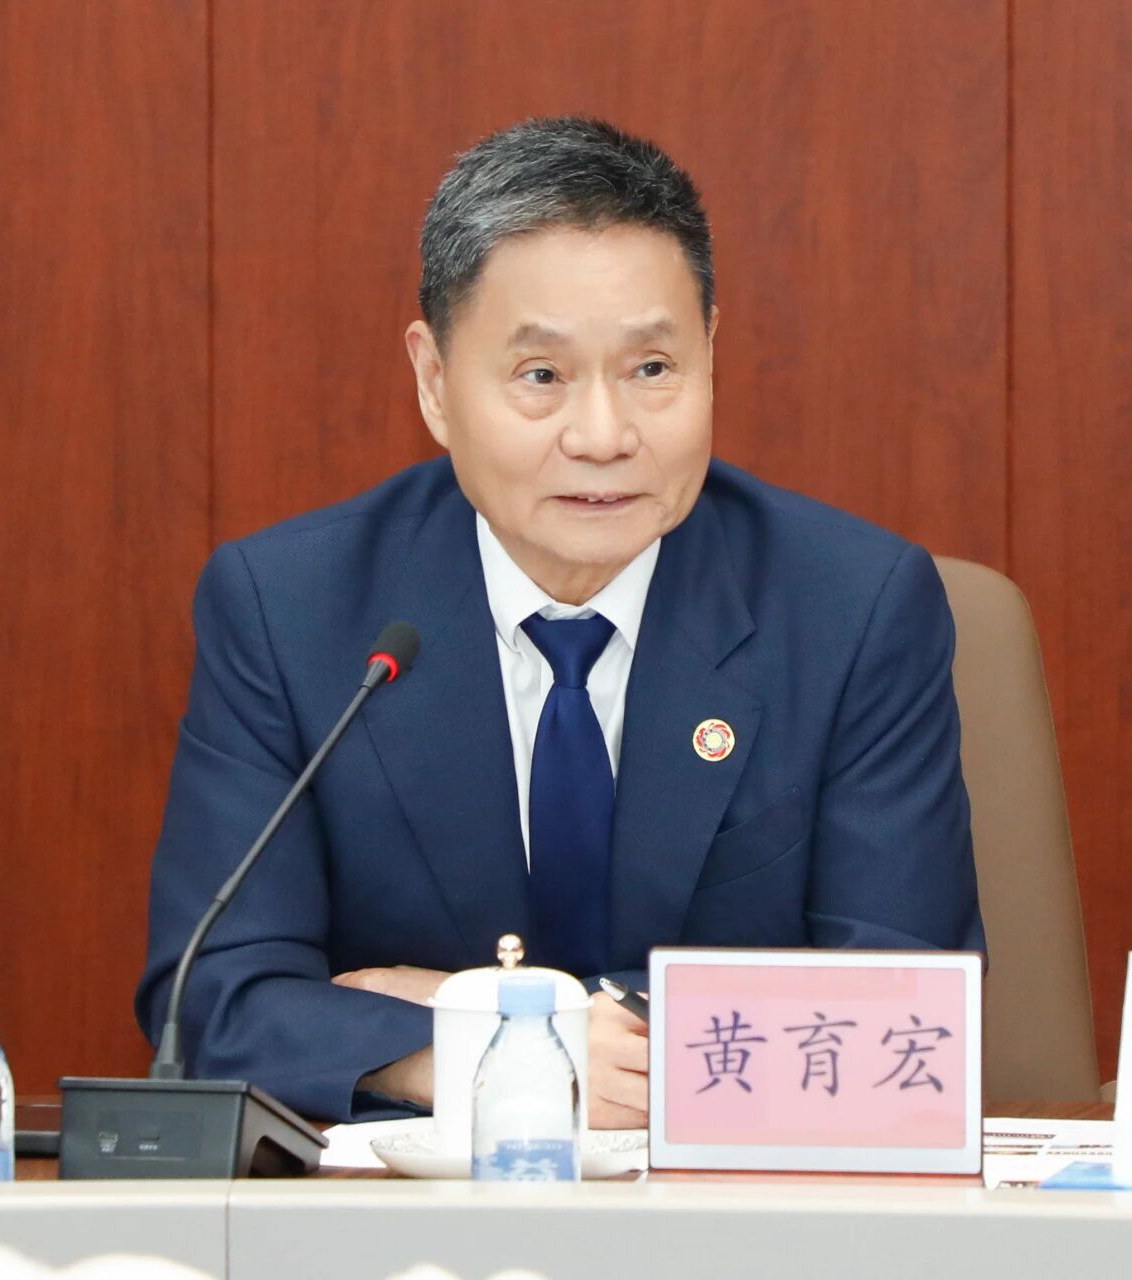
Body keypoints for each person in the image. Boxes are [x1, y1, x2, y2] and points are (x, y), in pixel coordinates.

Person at [136, 116, 984, 1126]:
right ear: (435, 381)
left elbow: (907, 1009)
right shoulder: (291, 608)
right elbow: (212, 997)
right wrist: (457, 1050)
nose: (603, 435)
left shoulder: (852, 607)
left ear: (711, 354)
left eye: (652, 369)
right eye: (541, 376)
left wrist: (493, 1011)